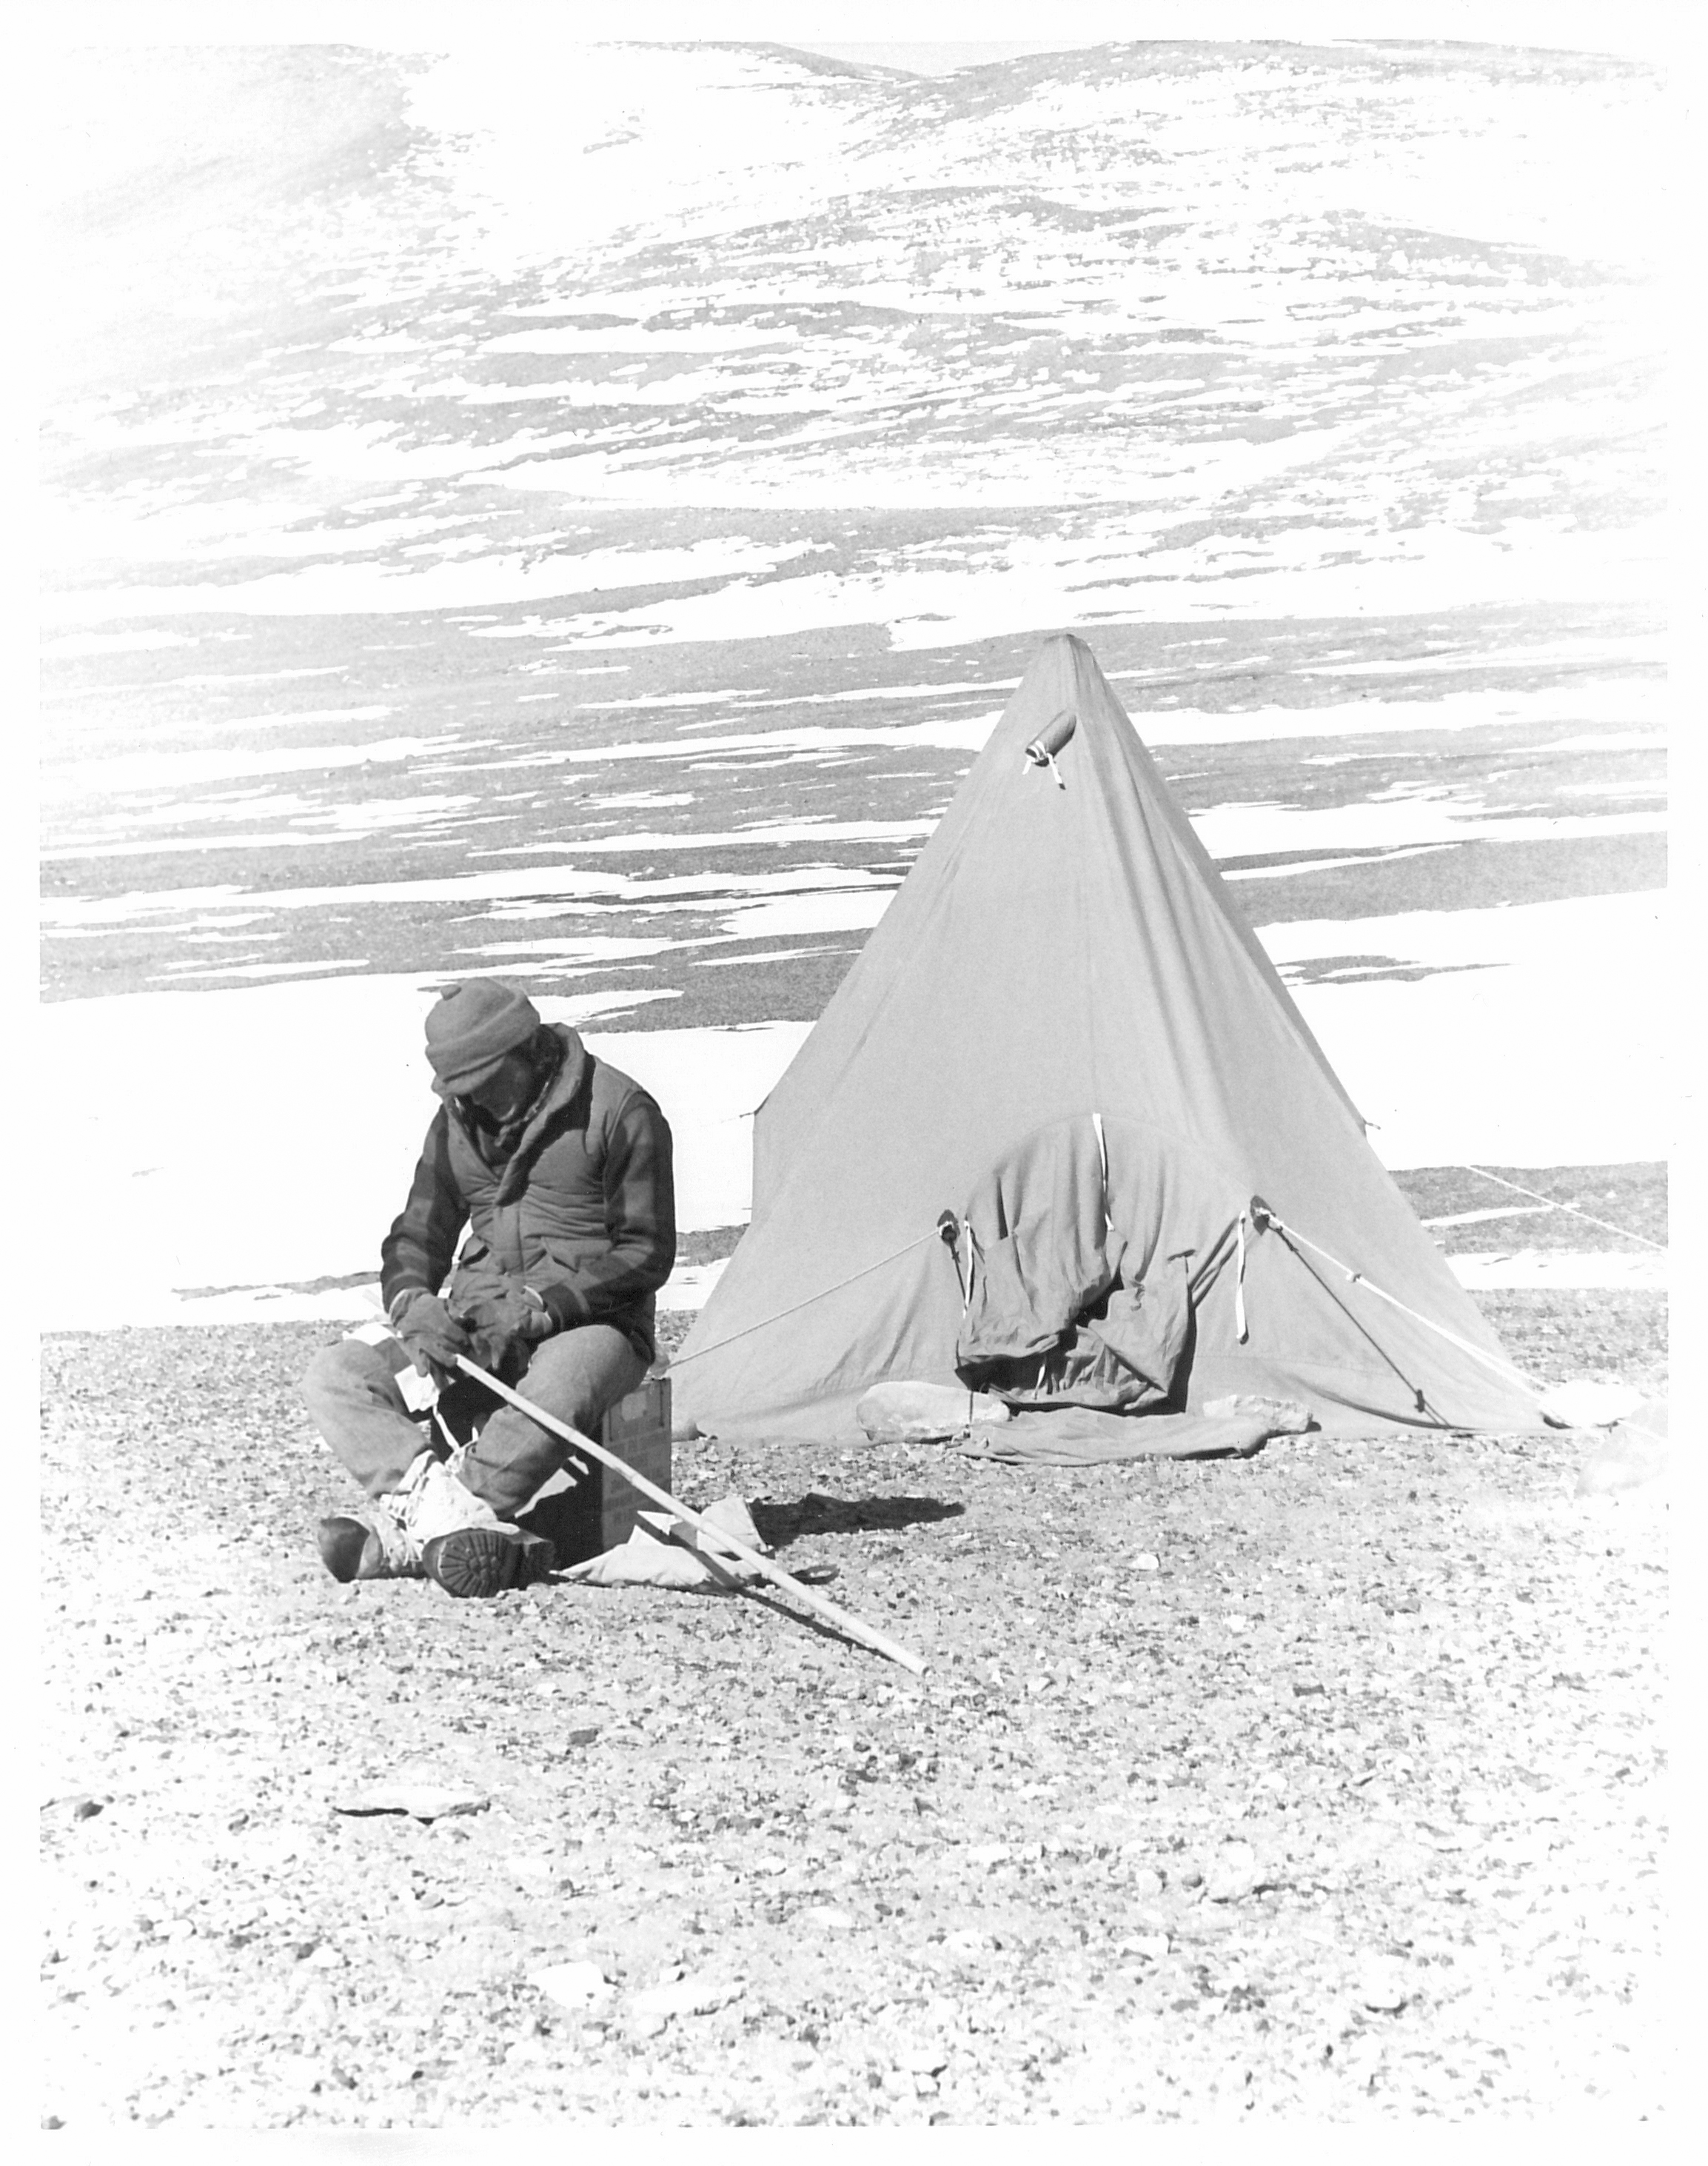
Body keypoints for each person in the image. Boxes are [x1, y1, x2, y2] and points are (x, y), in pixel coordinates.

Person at [301, 978, 676, 1597]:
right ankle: (451, 1526)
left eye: (484, 1085)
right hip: (473, 1322)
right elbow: (417, 1236)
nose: (474, 1103)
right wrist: (413, 1301)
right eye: (460, 1091)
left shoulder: (619, 1109)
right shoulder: (454, 1123)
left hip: (593, 1325)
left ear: (525, 1053)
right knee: (336, 1374)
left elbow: (645, 1251)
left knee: (558, 1383)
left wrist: (541, 1308)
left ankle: (412, 1536)